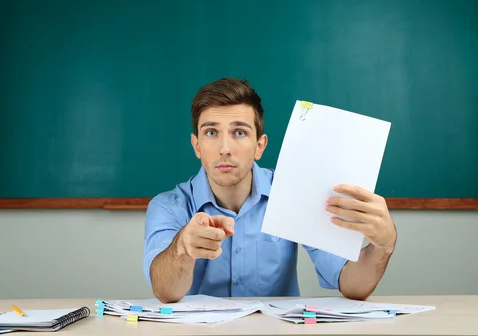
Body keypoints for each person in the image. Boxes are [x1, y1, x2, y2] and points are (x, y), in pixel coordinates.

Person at [143, 78, 397, 303]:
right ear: (196, 145)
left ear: (259, 146)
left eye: (239, 132)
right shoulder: (168, 206)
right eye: (211, 132)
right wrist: (182, 247)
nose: (224, 148)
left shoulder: (293, 192)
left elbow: (352, 284)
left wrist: (383, 246)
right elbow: (164, 291)